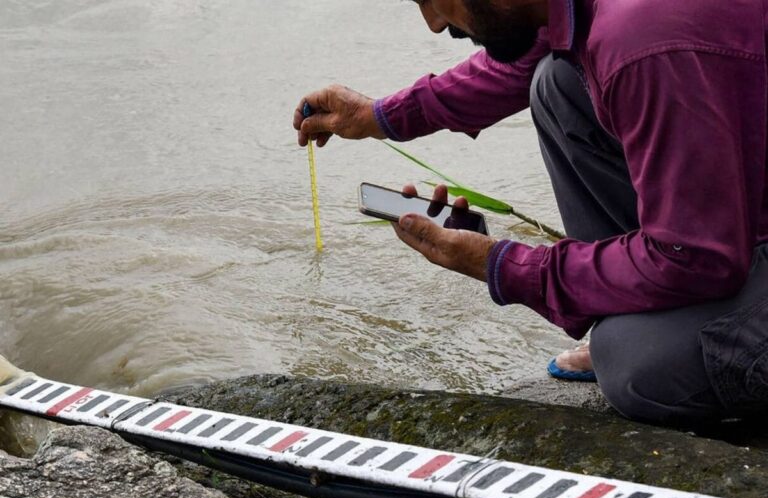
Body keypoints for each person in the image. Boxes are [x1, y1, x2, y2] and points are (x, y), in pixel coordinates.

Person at [293, 0, 768, 425]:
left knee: (632, 364)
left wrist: (503, 265)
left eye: (433, 1)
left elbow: (694, 257)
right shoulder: (596, 14)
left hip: (714, 248)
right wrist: (380, 116)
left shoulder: (644, 41)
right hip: (742, 216)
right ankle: (629, 309)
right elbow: (516, 66)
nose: (434, 24)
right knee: (556, 82)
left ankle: (648, 325)